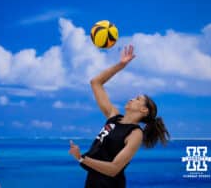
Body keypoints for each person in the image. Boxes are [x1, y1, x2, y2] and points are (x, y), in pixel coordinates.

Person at [69, 45, 170, 188]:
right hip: (92, 182)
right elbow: (96, 83)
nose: (131, 99)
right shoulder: (114, 116)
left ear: (143, 110)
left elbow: (114, 169)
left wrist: (81, 158)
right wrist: (121, 65)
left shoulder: (135, 134)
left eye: (137, 99)